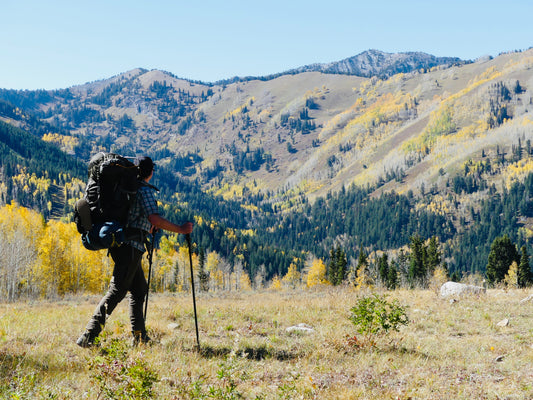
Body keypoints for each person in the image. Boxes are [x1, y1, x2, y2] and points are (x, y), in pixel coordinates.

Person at [77, 156, 193, 347]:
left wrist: (146, 226)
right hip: (130, 247)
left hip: (124, 244)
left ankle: (139, 337)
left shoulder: (129, 189)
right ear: (151, 172)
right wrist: (180, 229)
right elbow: (154, 218)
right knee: (117, 291)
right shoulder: (143, 190)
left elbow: (135, 218)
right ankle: (89, 335)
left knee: (139, 290)